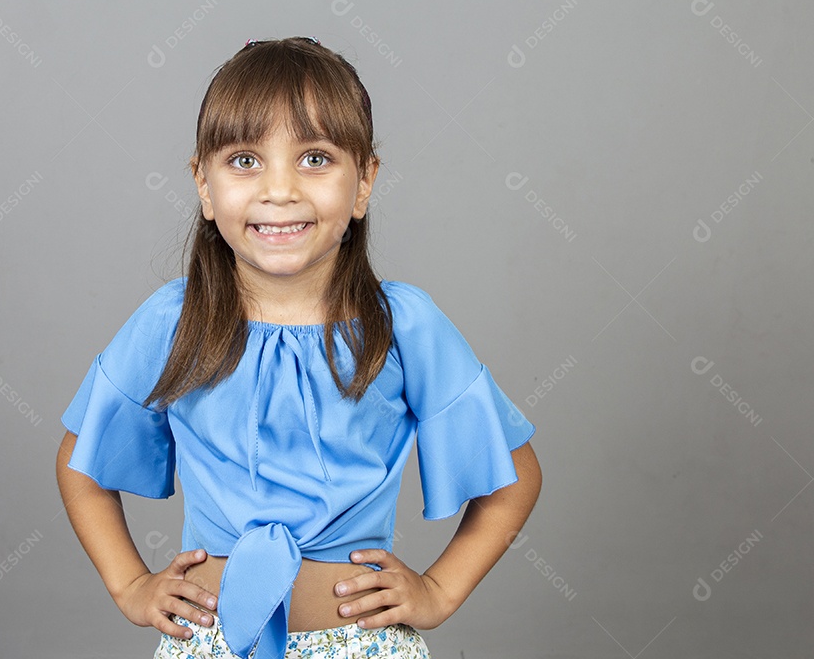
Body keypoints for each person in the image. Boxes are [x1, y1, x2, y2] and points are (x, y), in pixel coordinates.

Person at [56, 36, 542, 659]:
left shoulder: (402, 325)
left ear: (364, 182)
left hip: (364, 647)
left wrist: (440, 591)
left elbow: (514, 473)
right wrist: (130, 585)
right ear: (204, 185)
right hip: (211, 644)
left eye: (314, 159)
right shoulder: (174, 322)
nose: (279, 190)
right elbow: (83, 461)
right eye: (244, 161)